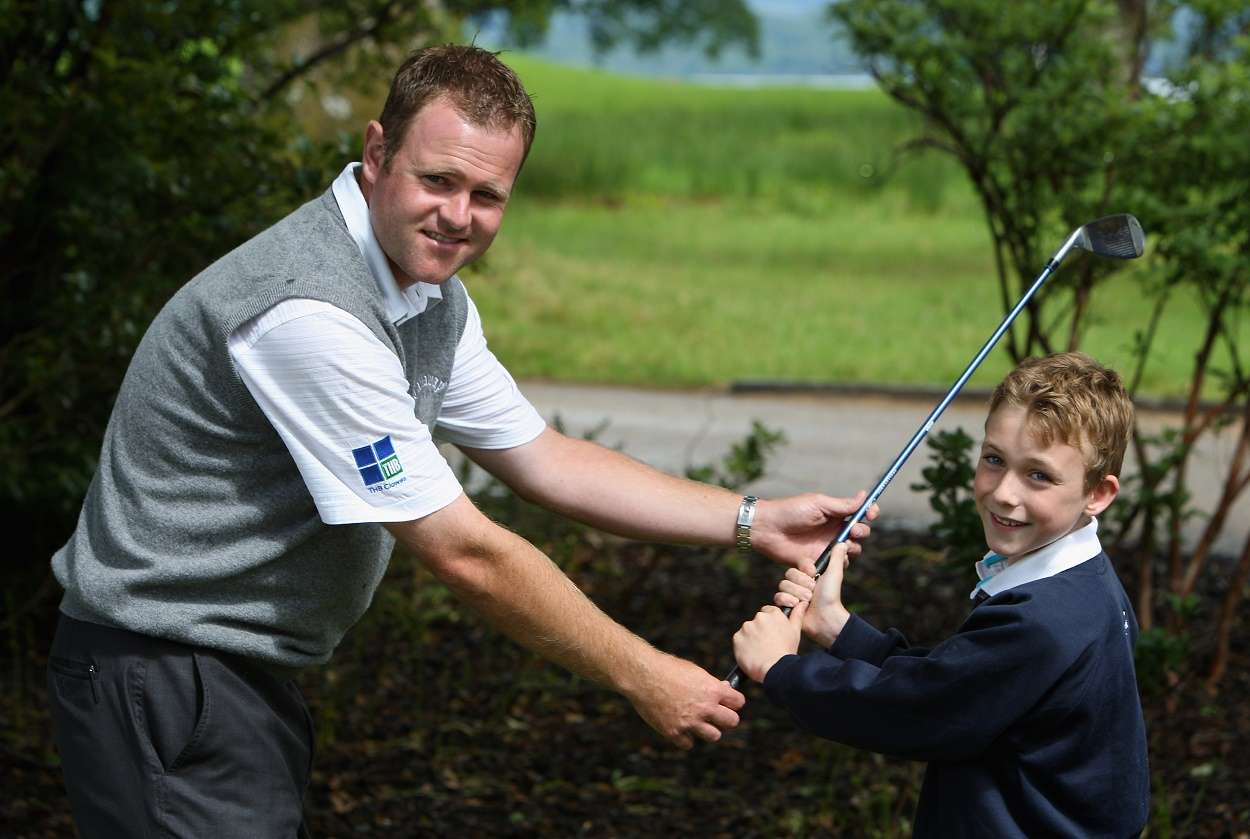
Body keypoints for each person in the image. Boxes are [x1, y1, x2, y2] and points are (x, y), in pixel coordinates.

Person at [46, 44, 875, 836]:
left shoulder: (426, 295)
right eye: (437, 180)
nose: (458, 216)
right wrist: (641, 672)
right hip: (161, 672)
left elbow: (544, 458)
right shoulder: (308, 313)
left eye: (488, 195)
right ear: (377, 153)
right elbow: (462, 551)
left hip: (237, 671)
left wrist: (753, 517)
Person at [733, 352, 1150, 837]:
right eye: (994, 460)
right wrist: (836, 626)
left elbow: (916, 711)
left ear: (1098, 493)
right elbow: (958, 679)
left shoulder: (1042, 621)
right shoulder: (1087, 584)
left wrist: (782, 670)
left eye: (1039, 475)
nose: (1003, 493)